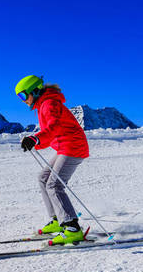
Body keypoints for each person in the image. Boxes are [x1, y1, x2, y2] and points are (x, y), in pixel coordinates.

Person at [14, 75, 90, 245]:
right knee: (43, 178)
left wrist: (35, 139)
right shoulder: (43, 105)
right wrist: (35, 142)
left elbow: (54, 127)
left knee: (54, 184)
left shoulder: (49, 104)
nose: (23, 101)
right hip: (65, 146)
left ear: (35, 90)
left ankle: (72, 228)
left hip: (73, 147)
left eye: (23, 96)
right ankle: (57, 219)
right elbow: (50, 136)